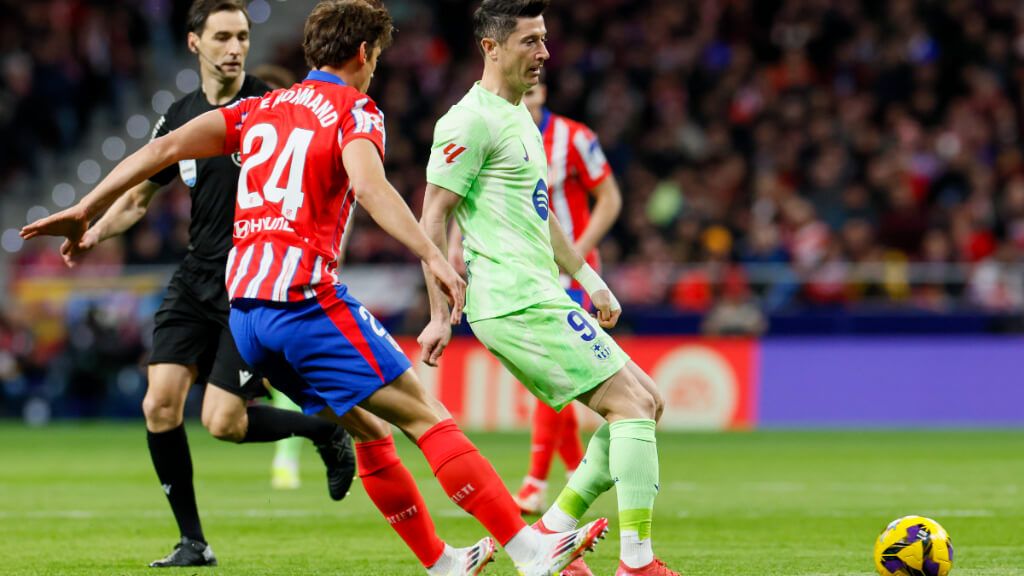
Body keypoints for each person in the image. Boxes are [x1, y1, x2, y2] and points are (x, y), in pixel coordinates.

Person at [22, 2, 608, 575]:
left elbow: (161, 149)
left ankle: (442, 561)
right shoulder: (356, 110)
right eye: (377, 57)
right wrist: (432, 254)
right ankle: (530, 552)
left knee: (370, 428)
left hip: (245, 316)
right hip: (303, 302)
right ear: (363, 53)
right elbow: (371, 188)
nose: (375, 68)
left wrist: (84, 207)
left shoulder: (259, 107)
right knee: (426, 416)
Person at [39, 1, 356, 567]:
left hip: (250, 282)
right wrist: (94, 233)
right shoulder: (180, 118)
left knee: (223, 424)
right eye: (222, 37)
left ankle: (324, 433)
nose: (235, 48)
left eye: (242, 37)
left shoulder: (271, 106)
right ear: (194, 43)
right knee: (159, 404)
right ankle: (193, 542)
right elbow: (138, 198)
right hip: (195, 278)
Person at [418, 1, 679, 575]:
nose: (544, 53)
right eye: (530, 41)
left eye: (544, 39)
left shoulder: (519, 117)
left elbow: (541, 214)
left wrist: (590, 279)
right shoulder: (469, 120)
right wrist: (438, 313)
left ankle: (551, 533)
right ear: (491, 48)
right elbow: (432, 216)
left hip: (541, 292)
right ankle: (636, 562)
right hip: (514, 301)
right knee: (632, 406)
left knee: (649, 402)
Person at [513, 80, 623, 515]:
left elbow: (609, 199)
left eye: (534, 87)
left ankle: (535, 482)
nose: (528, 93)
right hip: (528, 269)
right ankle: (576, 470)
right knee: (552, 372)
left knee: (554, 369)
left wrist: (576, 257)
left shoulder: (575, 137)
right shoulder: (500, 133)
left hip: (572, 276)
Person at [250, 63, 308, 492]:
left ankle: (287, 457)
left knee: (287, 375)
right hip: (241, 280)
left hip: (293, 277)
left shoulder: (301, 152)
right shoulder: (242, 154)